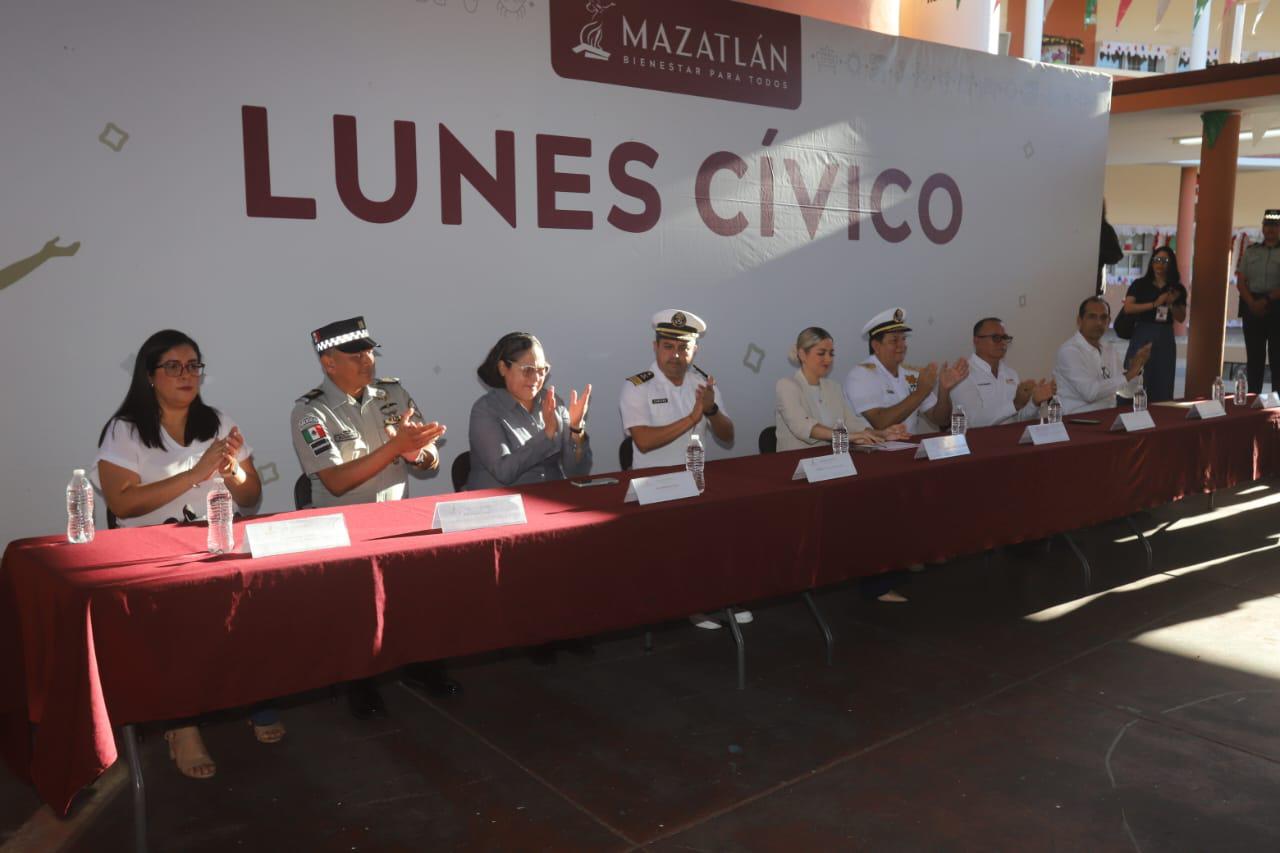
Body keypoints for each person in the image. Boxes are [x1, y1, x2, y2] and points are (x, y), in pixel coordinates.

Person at [95, 329, 273, 780]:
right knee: (180, 618)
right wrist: (196, 473)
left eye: (193, 365)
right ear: (149, 376)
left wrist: (231, 471)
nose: (186, 374)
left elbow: (251, 496)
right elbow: (122, 503)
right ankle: (182, 724)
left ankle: (253, 694)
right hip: (153, 553)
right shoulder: (126, 429)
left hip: (215, 544)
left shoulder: (218, 421)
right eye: (172, 366)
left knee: (264, 599)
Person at [290, 316, 456, 718]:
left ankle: (421, 667)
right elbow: (336, 481)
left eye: (369, 351)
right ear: (329, 363)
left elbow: (428, 460)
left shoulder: (392, 393)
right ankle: (360, 683)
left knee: (415, 600)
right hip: (343, 529)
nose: (367, 360)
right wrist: (395, 447)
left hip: (397, 520)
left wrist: (418, 452)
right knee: (358, 610)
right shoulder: (311, 412)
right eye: (355, 355)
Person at [619, 309, 744, 628]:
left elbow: (727, 435)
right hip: (653, 487)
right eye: (668, 347)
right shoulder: (637, 386)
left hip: (696, 480)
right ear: (655, 347)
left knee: (729, 529)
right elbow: (644, 442)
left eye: (683, 348)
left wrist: (711, 409)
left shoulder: (702, 383)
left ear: (695, 350)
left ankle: (722, 597)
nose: (675, 355)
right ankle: (692, 606)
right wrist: (691, 418)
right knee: (681, 544)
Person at [466, 332, 592, 489]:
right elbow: (504, 472)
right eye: (527, 370)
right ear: (503, 368)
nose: (536, 378)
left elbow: (578, 473)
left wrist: (576, 429)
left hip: (551, 499)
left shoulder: (553, 402)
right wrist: (546, 435)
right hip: (501, 504)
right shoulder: (485, 410)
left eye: (542, 370)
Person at [775, 326, 909, 451]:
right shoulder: (787, 385)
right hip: (796, 467)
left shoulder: (833, 387)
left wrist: (883, 434)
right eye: (821, 353)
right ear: (802, 354)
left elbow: (851, 423)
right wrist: (848, 437)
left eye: (831, 354)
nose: (828, 359)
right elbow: (803, 427)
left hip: (831, 463)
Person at [844, 307, 968, 434]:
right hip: (875, 450)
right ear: (876, 345)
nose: (901, 345)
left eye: (903, 339)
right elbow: (880, 422)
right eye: (894, 340)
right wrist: (920, 392)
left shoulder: (912, 375)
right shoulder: (861, 375)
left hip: (909, 448)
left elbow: (941, 420)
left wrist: (944, 390)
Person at [950, 318, 1056, 427]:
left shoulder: (1011, 374)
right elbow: (973, 421)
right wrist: (1015, 404)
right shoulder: (962, 374)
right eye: (996, 338)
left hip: (1011, 439)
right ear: (976, 341)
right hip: (978, 442)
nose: (1002, 343)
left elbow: (1018, 419)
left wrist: (1034, 403)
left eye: (1004, 338)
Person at [1054, 297, 1150, 414]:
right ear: (1080, 320)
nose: (1099, 323)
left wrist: (1136, 370)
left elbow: (1127, 392)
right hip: (1076, 421)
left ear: (1109, 321)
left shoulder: (1109, 349)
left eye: (1103, 318)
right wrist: (1128, 375)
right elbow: (1090, 393)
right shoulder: (1069, 351)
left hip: (1108, 417)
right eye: (1092, 317)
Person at [1121, 247, 1187, 402]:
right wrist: (1154, 304)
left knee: (1162, 380)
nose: (1160, 264)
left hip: (1165, 335)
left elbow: (1181, 317)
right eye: (1156, 260)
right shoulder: (1140, 284)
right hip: (1143, 331)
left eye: (1164, 261)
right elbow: (1128, 307)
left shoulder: (1176, 288)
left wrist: (1171, 303)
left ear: (1171, 264)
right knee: (1136, 376)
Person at [1236, 209, 1280, 394]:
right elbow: (1241, 280)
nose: (1270, 229)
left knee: (1277, 357)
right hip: (1251, 305)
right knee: (1254, 357)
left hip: (1276, 306)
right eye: (1267, 225)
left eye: (1274, 225)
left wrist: (1267, 299)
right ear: (1262, 227)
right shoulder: (1251, 251)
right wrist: (1252, 302)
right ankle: (1253, 400)